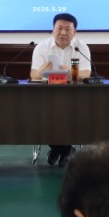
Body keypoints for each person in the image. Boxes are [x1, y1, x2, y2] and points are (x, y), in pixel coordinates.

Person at [32, 13, 94, 167]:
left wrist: (70, 71)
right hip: (46, 97)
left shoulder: (81, 48)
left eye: (68, 29)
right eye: (59, 28)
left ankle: (57, 149)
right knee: (41, 115)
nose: (63, 33)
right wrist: (44, 69)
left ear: (75, 32)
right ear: (53, 30)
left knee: (70, 113)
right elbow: (34, 75)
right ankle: (65, 149)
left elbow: (86, 74)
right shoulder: (42, 47)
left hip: (75, 98)